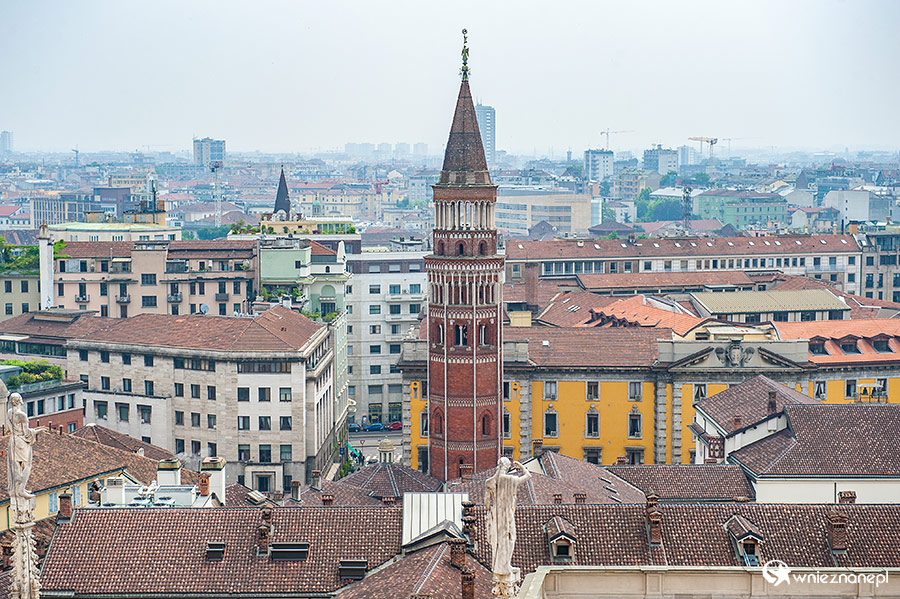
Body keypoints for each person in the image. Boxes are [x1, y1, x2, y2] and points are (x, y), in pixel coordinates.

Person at [484, 456, 531, 591]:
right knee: (510, 539)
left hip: (496, 515)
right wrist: (521, 467)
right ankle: (505, 566)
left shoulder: (489, 482)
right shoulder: (510, 479)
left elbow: (487, 504)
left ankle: (500, 566)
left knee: (498, 542)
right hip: (507, 515)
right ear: (508, 467)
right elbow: (527, 476)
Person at [7, 392, 39, 501]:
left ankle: (18, 488)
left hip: (13, 440)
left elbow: (10, 429)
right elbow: (26, 432)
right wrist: (36, 431)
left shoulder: (10, 412)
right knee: (27, 465)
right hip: (21, 441)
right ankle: (21, 489)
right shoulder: (22, 415)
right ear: (20, 400)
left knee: (16, 465)